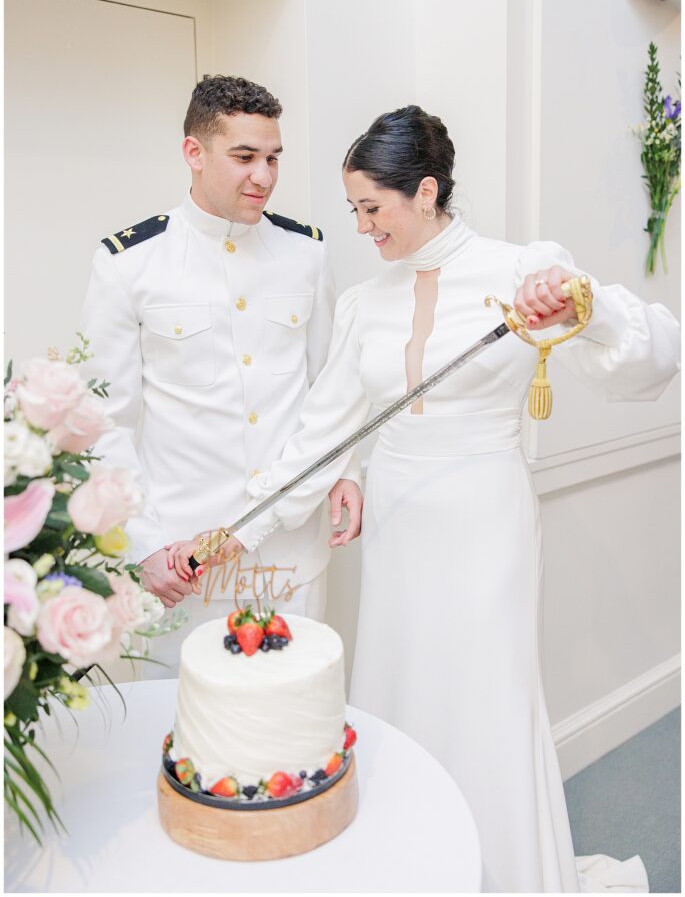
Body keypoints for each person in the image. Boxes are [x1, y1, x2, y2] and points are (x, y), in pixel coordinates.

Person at [170, 105, 679, 891]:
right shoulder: (365, 303)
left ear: (427, 190)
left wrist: (585, 305)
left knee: (483, 699)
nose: (363, 227)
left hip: (484, 516)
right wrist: (235, 532)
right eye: (354, 211)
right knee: (400, 688)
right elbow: (320, 434)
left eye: (373, 208)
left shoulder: (522, 270)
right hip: (401, 521)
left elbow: (650, 363)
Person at [80, 75, 362, 665]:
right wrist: (144, 546)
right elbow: (102, 423)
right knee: (191, 733)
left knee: (292, 722)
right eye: (244, 157)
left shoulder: (307, 254)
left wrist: (349, 472)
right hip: (184, 557)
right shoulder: (129, 263)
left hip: (292, 554)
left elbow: (331, 390)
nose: (264, 176)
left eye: (273, 158)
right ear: (194, 153)